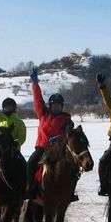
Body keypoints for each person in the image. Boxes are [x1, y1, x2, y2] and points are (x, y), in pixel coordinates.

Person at [26, 67, 77, 201]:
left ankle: (70, 192)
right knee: (31, 163)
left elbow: (69, 135)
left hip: (58, 150)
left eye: (59, 105)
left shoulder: (66, 119)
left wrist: (59, 140)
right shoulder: (43, 114)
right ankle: (30, 188)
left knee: (73, 167)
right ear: (50, 105)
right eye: (54, 105)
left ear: (62, 106)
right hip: (42, 148)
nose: (56, 107)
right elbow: (38, 101)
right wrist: (35, 83)